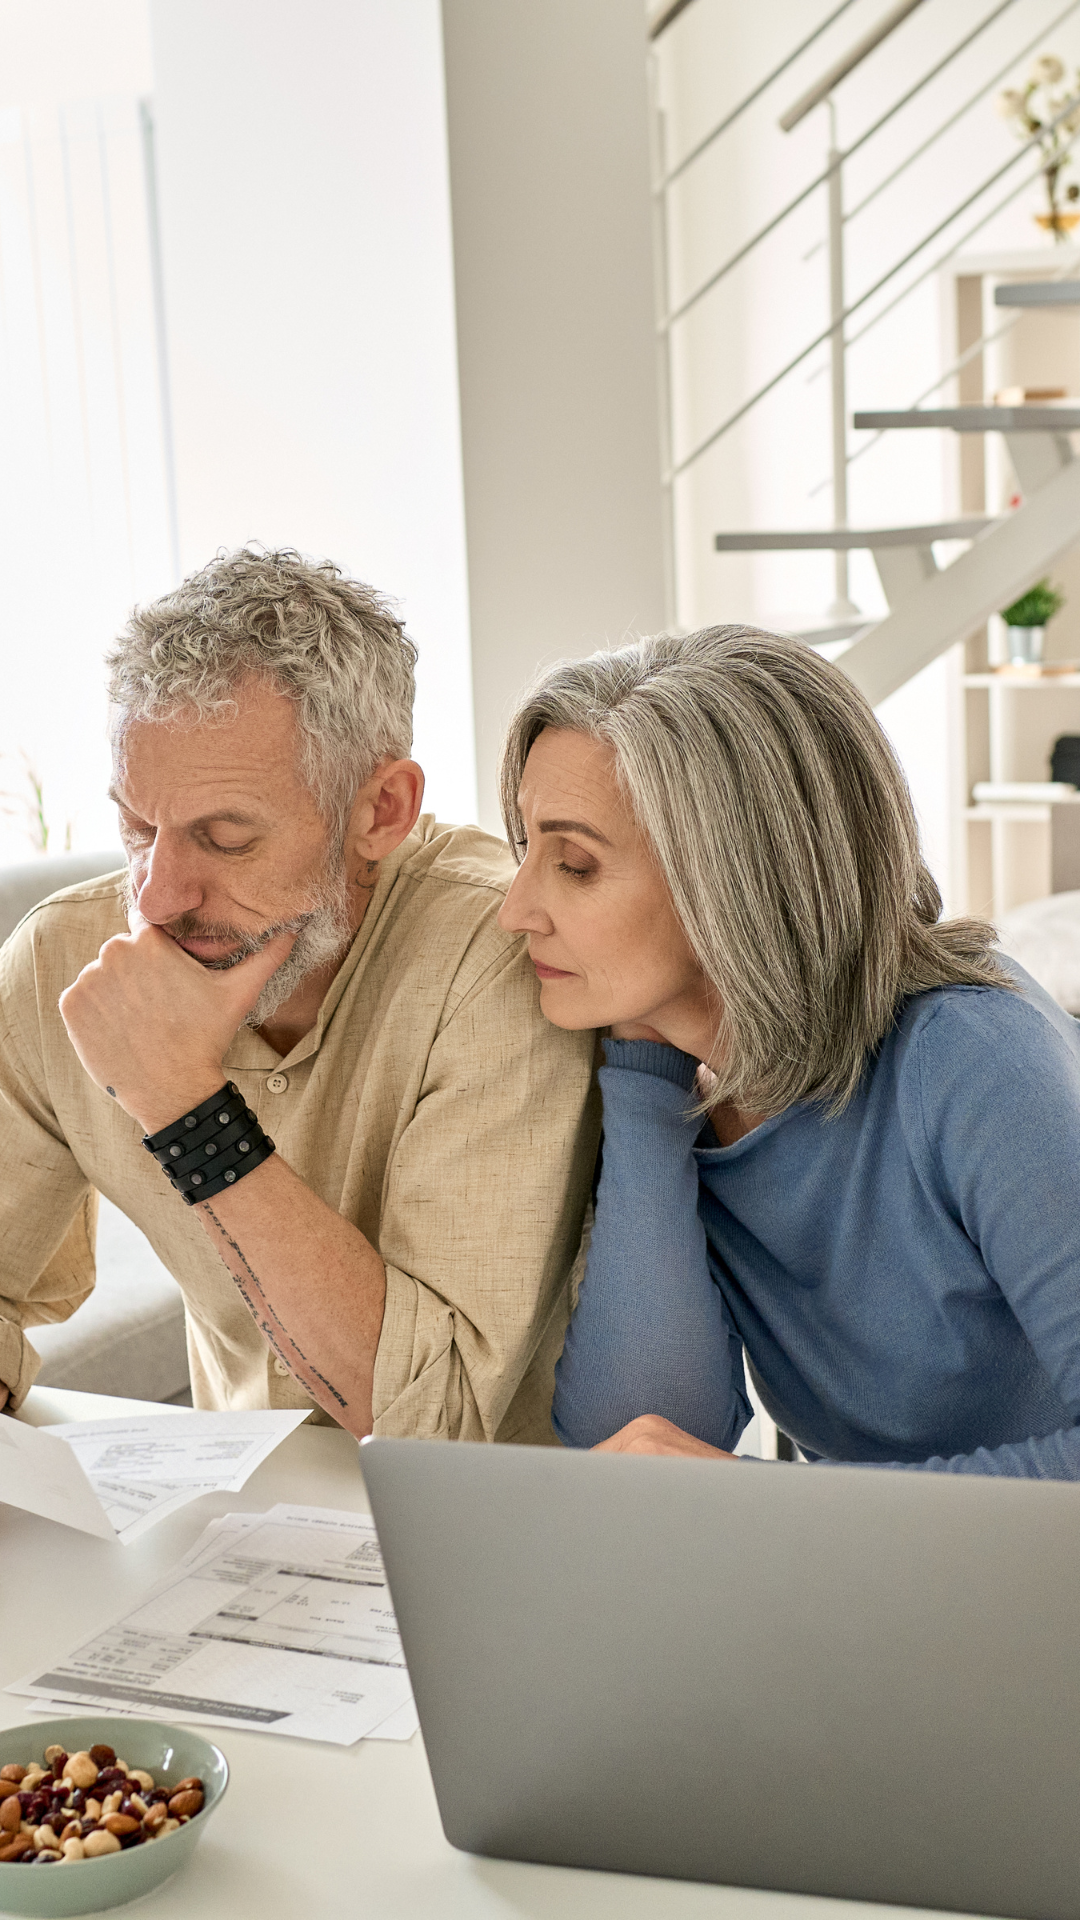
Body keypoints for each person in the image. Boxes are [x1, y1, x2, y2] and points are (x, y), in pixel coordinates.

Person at [0, 548, 598, 1442]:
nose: (157, 897)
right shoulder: (63, 957)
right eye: (136, 826)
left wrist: (185, 1108)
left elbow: (428, 1422)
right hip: (229, 1530)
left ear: (380, 812)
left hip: (503, 1534)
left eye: (226, 837)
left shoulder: (503, 954)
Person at [496, 624, 1080, 1478]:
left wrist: (786, 1513)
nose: (516, 909)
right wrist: (646, 1078)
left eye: (574, 865)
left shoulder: (973, 1056)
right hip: (863, 1586)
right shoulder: (681, 1079)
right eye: (524, 849)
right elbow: (635, 1441)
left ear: (731, 879)